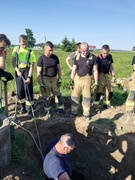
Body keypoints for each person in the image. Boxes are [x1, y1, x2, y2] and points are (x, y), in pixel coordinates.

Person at [70, 42, 98, 120]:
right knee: (75, 96)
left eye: (87, 50)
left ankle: (86, 113)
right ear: (80, 49)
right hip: (77, 78)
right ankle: (74, 111)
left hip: (87, 79)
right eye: (83, 51)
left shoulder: (93, 58)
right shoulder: (77, 57)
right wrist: (71, 80)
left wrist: (96, 81)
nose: (85, 52)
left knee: (87, 97)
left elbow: (95, 70)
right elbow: (74, 69)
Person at [37, 41, 66, 116]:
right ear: (45, 49)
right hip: (45, 79)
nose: (51, 52)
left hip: (54, 79)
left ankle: (60, 109)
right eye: (49, 50)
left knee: (58, 94)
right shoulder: (41, 59)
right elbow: (39, 73)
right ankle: (48, 111)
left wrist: (59, 78)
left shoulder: (55, 57)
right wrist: (41, 84)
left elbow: (59, 69)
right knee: (46, 96)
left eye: (52, 50)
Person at [12, 34, 36, 118]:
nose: (25, 46)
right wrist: (17, 70)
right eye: (23, 44)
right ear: (19, 42)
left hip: (27, 71)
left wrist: (29, 77)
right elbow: (13, 62)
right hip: (18, 71)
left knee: (28, 91)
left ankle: (30, 110)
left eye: (26, 44)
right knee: (20, 91)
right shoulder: (16, 49)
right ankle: (23, 108)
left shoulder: (31, 51)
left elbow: (32, 66)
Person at [93, 44, 115, 113]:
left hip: (106, 76)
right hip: (100, 76)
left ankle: (106, 104)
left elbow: (111, 66)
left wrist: (113, 75)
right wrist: (95, 80)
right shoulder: (98, 58)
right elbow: (95, 69)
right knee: (98, 92)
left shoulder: (110, 57)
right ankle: (96, 107)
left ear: (109, 52)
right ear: (101, 51)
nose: (105, 54)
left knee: (109, 91)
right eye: (104, 53)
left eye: (107, 53)